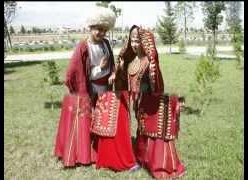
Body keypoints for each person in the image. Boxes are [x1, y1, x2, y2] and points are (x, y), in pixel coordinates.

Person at [116, 25, 186, 179]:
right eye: (132, 40)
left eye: (138, 41)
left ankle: (158, 164)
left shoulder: (149, 62)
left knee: (152, 134)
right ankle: (142, 159)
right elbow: (125, 83)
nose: (134, 44)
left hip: (150, 102)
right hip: (139, 104)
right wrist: (121, 69)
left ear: (145, 42)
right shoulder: (131, 59)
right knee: (141, 132)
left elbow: (156, 85)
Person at [53, 7, 116, 167]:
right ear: (91, 27)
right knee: (87, 119)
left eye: (104, 30)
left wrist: (113, 72)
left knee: (102, 119)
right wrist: (100, 68)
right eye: (98, 29)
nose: (101, 33)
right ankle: (85, 151)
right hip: (90, 89)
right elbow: (75, 72)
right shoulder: (83, 47)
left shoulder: (106, 43)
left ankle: (101, 148)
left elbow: (111, 63)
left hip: (105, 88)